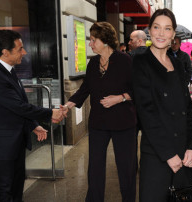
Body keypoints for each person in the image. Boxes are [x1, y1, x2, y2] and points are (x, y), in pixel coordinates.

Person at [62, 22, 137, 202]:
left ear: (105, 40)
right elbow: (86, 87)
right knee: (95, 168)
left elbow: (138, 89)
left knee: (126, 169)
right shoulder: (93, 62)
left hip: (123, 123)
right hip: (98, 123)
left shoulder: (125, 60)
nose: (90, 44)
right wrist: (69, 105)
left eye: (93, 40)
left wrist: (120, 98)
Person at [132, 8, 192, 202]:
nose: (161, 33)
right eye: (156, 27)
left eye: (167, 28)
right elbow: (147, 113)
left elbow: (187, 108)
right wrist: (168, 154)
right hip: (157, 153)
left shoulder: (177, 64)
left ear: (173, 34)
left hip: (183, 154)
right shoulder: (140, 62)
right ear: (149, 31)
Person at [0, 30, 64, 202]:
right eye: (20, 49)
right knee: (4, 191)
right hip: (2, 147)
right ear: (5, 52)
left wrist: (33, 125)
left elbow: (14, 106)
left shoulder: (8, 70)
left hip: (15, 143)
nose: (24, 52)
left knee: (16, 188)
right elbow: (18, 106)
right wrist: (50, 113)